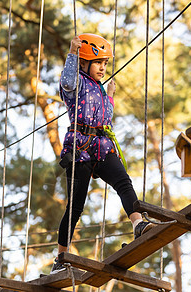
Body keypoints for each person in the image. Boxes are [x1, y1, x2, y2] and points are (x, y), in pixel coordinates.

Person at [51, 34, 153, 274]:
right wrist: (72, 55)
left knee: (123, 181)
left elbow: (105, 117)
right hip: (80, 148)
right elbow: (66, 82)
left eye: (105, 64)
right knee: (75, 206)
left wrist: (110, 97)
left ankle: (138, 223)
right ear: (85, 63)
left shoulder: (98, 88)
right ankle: (61, 257)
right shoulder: (75, 83)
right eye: (99, 63)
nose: (103, 68)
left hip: (102, 146)